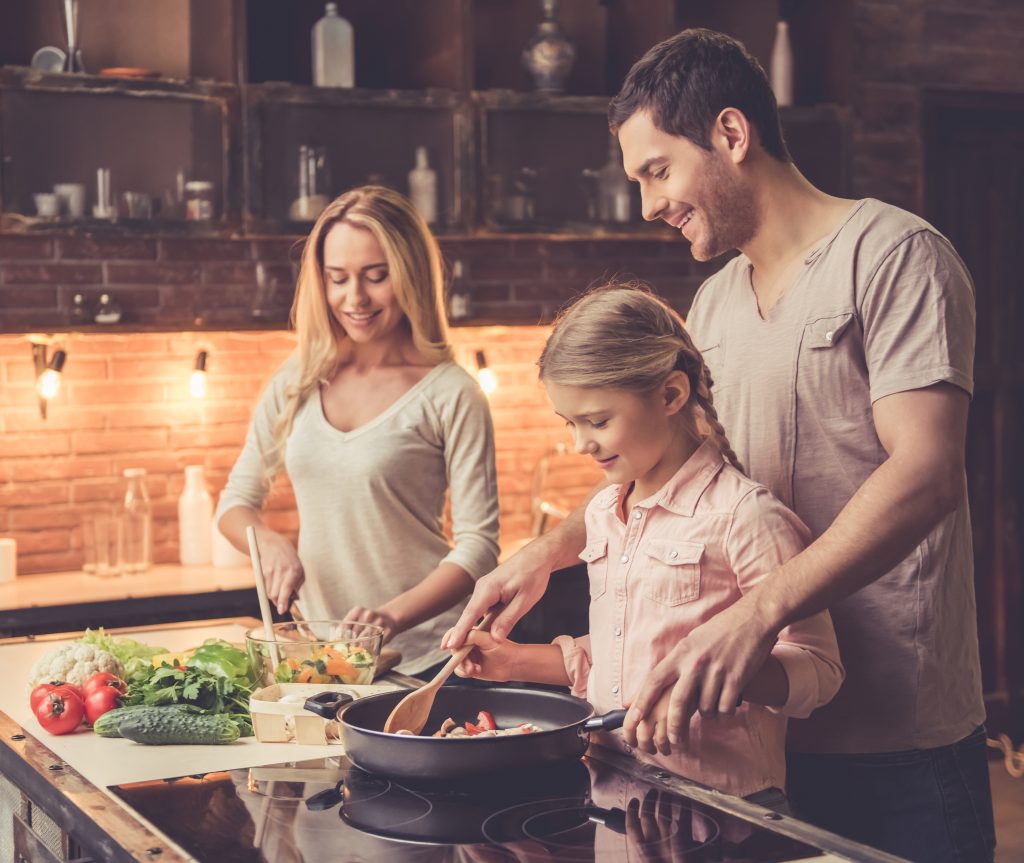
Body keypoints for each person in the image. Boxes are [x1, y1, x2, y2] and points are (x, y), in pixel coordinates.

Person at [444, 29, 994, 862]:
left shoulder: (894, 257)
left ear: (732, 135)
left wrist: (759, 612)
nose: (647, 203)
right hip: (756, 752)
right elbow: (674, 483)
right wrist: (544, 555)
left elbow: (927, 472)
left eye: (657, 171)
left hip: (897, 737)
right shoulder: (712, 306)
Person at [453, 285, 843, 801]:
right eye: (569, 423)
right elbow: (618, 657)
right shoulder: (602, 514)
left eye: (598, 421)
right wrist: (512, 662)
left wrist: (720, 672)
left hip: (727, 809)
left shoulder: (745, 517)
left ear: (670, 396)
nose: (580, 444)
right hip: (616, 791)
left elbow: (821, 671)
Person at [218, 185, 500, 676]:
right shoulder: (296, 381)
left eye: (376, 276)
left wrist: (391, 616)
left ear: (409, 275)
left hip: (428, 659)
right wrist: (266, 541)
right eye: (337, 279)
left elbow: (479, 547)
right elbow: (234, 503)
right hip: (324, 656)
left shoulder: (451, 392)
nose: (355, 298)